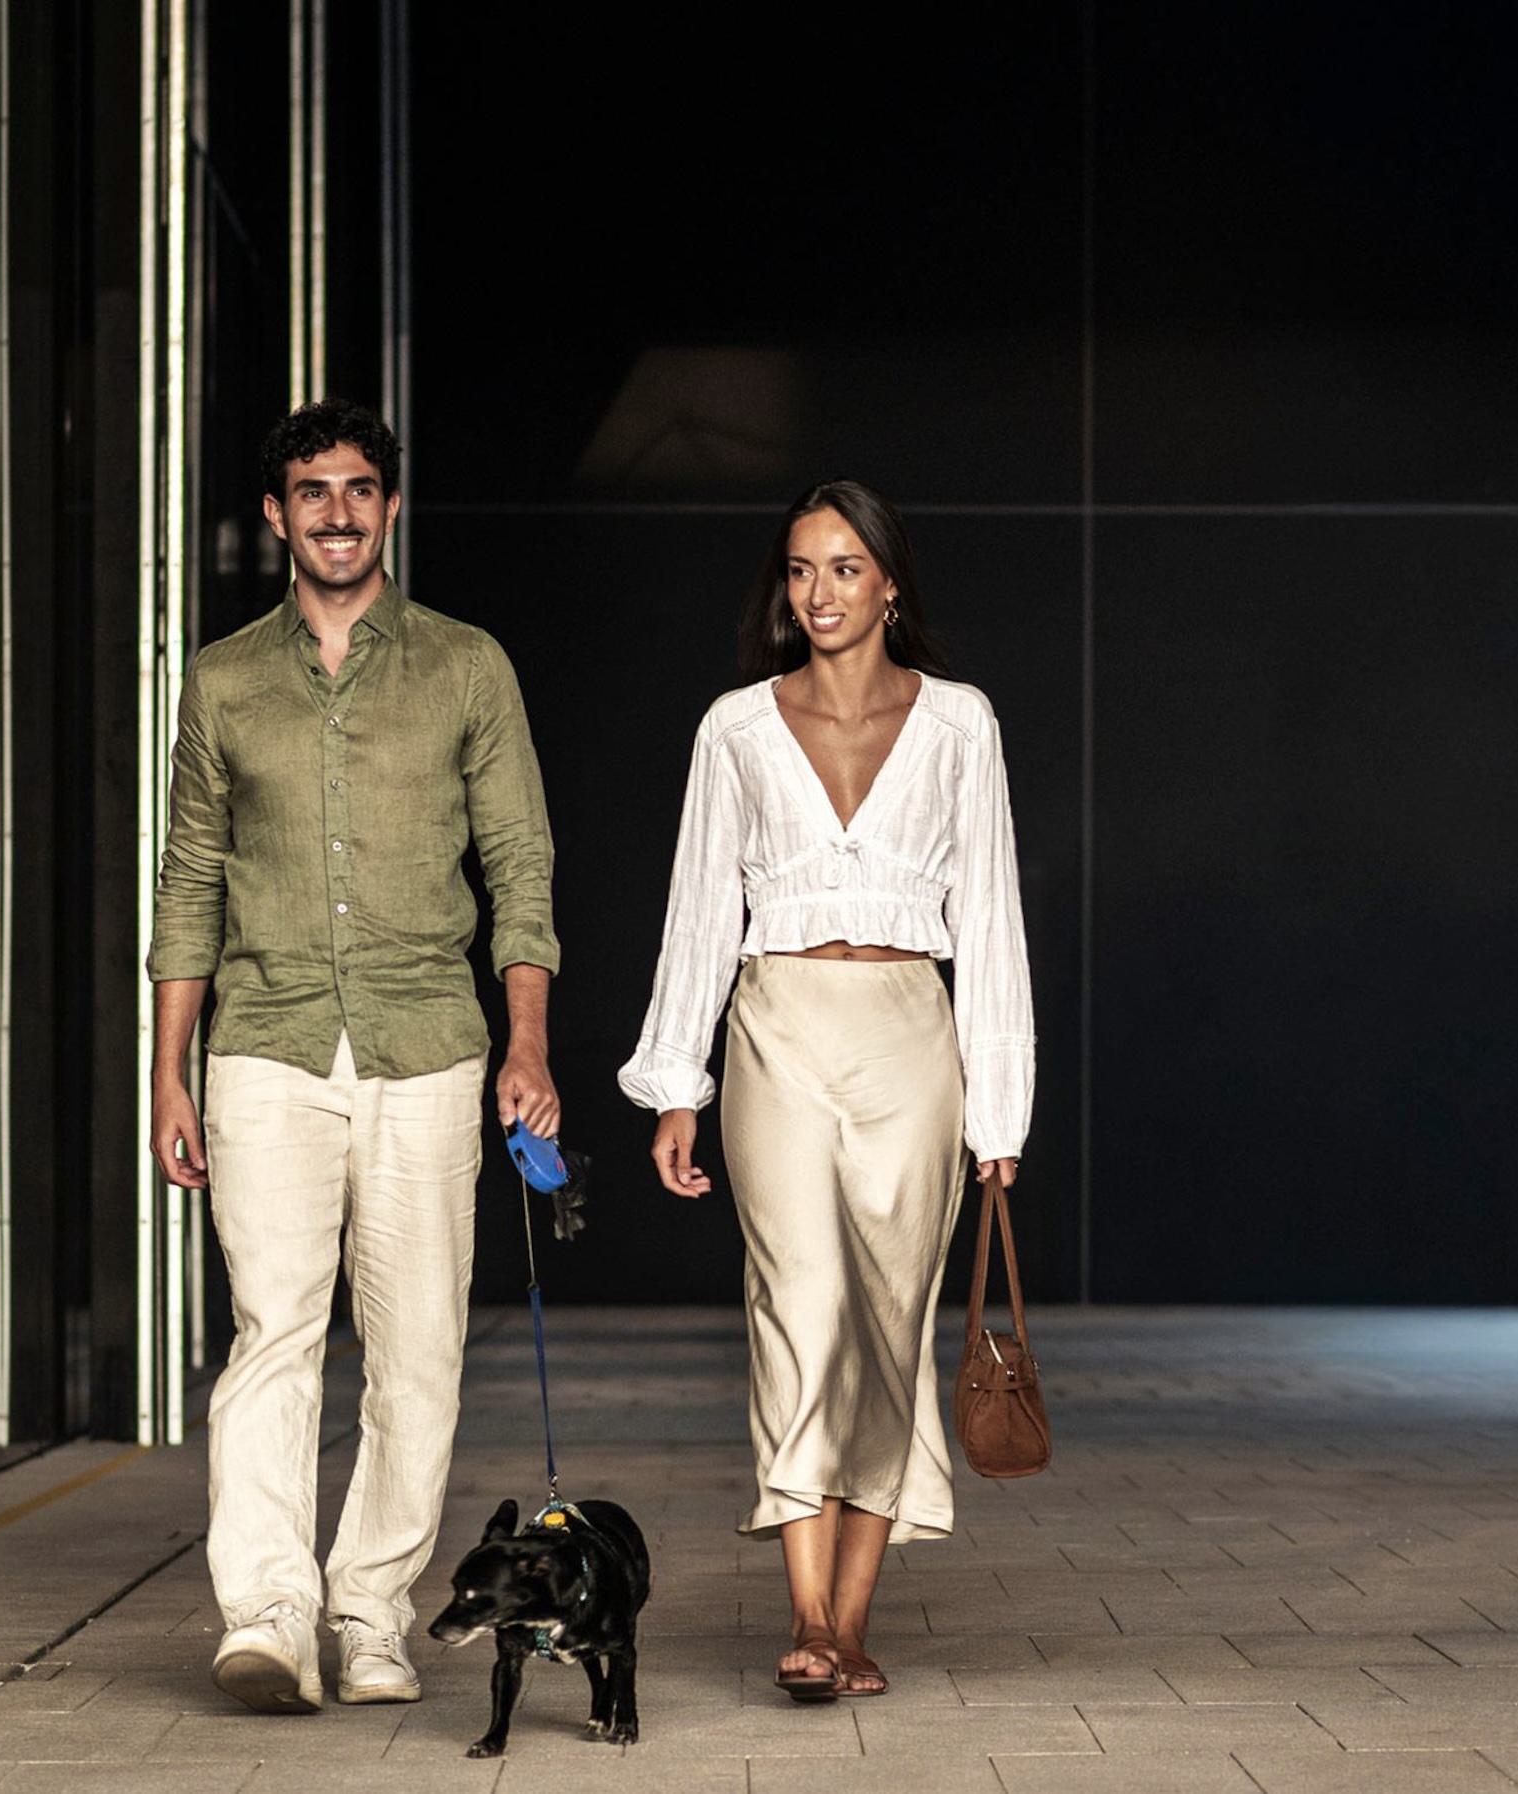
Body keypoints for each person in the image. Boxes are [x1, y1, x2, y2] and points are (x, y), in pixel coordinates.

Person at [145, 399, 562, 1714]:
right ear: (275, 514)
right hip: (262, 1043)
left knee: (420, 1345)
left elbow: (520, 866)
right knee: (274, 1332)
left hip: (428, 1045)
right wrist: (168, 1067)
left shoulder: (466, 666)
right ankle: (268, 1611)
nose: (337, 510)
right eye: (311, 490)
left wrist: (528, 1041)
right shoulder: (220, 680)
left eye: (360, 488)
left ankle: (370, 1610)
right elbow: (190, 878)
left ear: (389, 506)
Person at [617, 478, 1033, 1700]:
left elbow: (993, 920)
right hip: (776, 1028)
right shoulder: (735, 727)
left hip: (913, 1034)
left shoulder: (959, 723)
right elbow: (700, 911)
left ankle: (852, 1624)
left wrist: (998, 1109)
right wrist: (676, 1082)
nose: (820, 593)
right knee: (795, 1305)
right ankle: (804, 1614)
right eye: (801, 571)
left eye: (845, 569)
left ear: (890, 583)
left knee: (886, 1328)